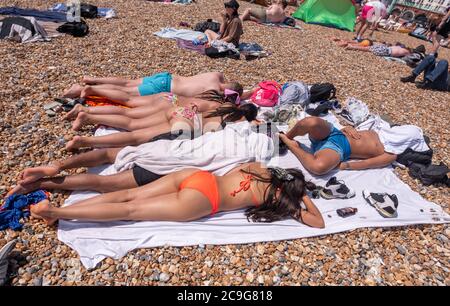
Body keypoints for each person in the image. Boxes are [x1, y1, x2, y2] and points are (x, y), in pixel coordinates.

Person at [7, 117, 274, 197]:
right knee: (103, 184)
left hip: (174, 145)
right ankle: (40, 184)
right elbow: (228, 176)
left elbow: (213, 127)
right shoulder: (254, 156)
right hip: (173, 165)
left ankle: (55, 166)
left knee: (112, 153)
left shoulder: (237, 129)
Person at [29, 162, 325, 228]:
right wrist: (302, 197)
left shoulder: (260, 168)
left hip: (198, 176)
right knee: (131, 211)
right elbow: (318, 223)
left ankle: (57, 205)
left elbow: (236, 168)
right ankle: (55, 214)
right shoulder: (276, 198)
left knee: (131, 196)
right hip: (202, 200)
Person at [64, 103, 258, 151]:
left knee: (132, 122)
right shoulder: (239, 123)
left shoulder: (224, 106)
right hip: (186, 126)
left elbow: (196, 105)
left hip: (182, 112)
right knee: (135, 137)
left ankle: (87, 115)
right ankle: (86, 141)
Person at [278, 117, 398, 175]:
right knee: (310, 122)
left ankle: (290, 144)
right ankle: (286, 137)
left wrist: (346, 166)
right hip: (335, 133)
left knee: (319, 168)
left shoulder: (391, 153)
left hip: (339, 148)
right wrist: (348, 128)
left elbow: (367, 164)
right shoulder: (381, 130)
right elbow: (352, 129)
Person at [63, 71, 244, 99]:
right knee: (127, 92)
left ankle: (92, 79)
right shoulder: (212, 92)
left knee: (127, 81)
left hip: (167, 76)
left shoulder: (216, 75)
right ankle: (84, 90)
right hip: (164, 88)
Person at [345, 41, 411, 58]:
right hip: (387, 51)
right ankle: (352, 47)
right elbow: (409, 58)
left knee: (368, 48)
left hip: (385, 47)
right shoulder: (407, 52)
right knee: (368, 49)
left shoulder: (399, 47)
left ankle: (352, 45)